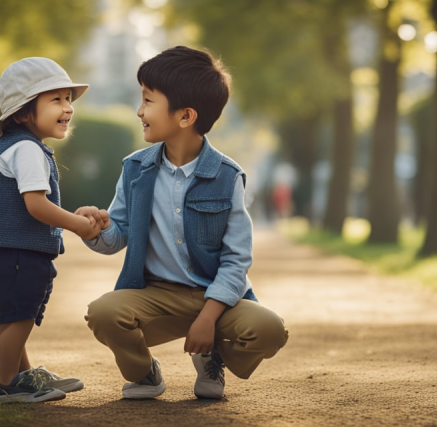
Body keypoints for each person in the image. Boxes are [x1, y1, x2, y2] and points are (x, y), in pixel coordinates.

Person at [77, 46, 289, 400]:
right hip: (156, 296)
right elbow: (117, 235)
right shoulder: (135, 168)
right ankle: (145, 374)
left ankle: (214, 357)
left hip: (217, 300)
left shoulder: (227, 176)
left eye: (148, 101)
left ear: (186, 116)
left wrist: (209, 316)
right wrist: (95, 230)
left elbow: (236, 259)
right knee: (103, 313)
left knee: (270, 330)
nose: (139, 111)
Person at [0, 57, 105, 403]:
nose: (68, 108)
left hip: (7, 251)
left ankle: (21, 375)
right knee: (20, 316)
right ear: (21, 113)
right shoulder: (26, 150)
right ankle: (7, 384)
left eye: (68, 99)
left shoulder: (20, 147)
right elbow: (36, 205)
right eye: (56, 100)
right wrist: (79, 226)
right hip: (15, 253)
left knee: (18, 315)